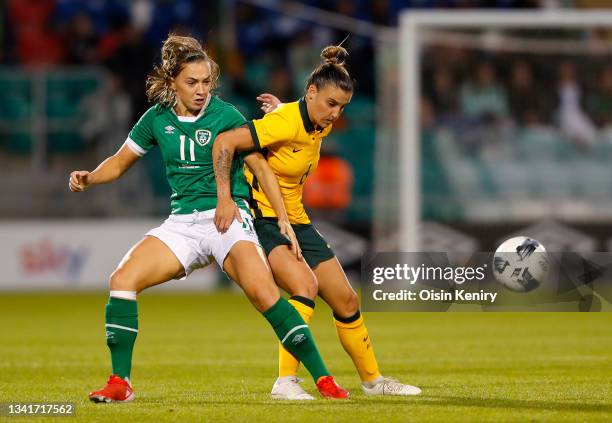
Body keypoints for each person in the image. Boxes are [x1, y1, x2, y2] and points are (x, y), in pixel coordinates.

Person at [68, 34, 348, 402]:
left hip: (229, 218)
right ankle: (121, 383)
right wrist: (90, 177)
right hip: (182, 224)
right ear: (173, 84)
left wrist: (280, 217)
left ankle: (325, 380)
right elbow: (119, 163)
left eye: (206, 82)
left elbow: (260, 168)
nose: (201, 90)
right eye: (192, 82)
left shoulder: (226, 115)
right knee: (121, 280)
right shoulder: (156, 119)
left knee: (265, 294)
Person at [213, 45, 422, 399]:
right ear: (311, 93)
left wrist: (285, 109)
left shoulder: (314, 121)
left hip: (296, 218)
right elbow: (226, 142)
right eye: (330, 104)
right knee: (304, 287)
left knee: (347, 302)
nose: (335, 113)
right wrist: (225, 196)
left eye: (341, 107)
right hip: (263, 217)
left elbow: (296, 121)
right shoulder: (287, 122)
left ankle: (374, 382)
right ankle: (285, 382)